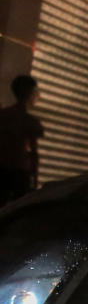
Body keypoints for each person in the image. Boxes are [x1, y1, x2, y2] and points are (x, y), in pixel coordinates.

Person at [0, 75, 44, 206]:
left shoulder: (3, 115)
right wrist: (35, 178)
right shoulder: (30, 122)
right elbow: (33, 152)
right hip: (20, 173)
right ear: (29, 92)